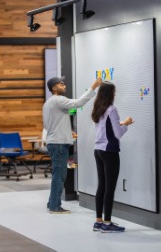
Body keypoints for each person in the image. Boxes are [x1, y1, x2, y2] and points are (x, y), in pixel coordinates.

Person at [43, 76, 102, 214]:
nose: (64, 85)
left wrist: (67, 132)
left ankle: (52, 202)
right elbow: (78, 103)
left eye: (64, 83)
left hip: (55, 142)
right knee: (60, 176)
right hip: (58, 144)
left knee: (57, 175)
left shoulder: (49, 103)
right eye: (60, 84)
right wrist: (93, 87)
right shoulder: (59, 100)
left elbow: (51, 125)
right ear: (53, 88)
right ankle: (54, 207)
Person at [91, 81, 134, 233]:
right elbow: (118, 134)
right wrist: (127, 123)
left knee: (102, 186)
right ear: (110, 93)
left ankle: (98, 221)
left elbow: (106, 128)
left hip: (98, 150)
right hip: (110, 152)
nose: (115, 94)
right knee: (110, 188)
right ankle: (107, 223)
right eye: (114, 92)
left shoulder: (99, 109)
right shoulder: (112, 109)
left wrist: (120, 123)